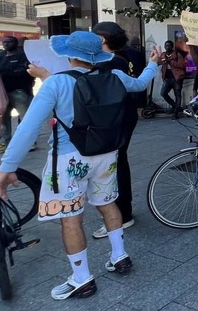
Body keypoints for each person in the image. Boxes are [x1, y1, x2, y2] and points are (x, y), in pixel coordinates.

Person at [0, 31, 160, 300]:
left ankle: (82, 279)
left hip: (69, 158)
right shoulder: (115, 76)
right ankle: (119, 255)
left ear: (69, 55)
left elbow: (28, 128)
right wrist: (153, 63)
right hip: (107, 154)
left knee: (71, 217)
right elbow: (141, 84)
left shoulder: (56, 82)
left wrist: (8, 166)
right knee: (108, 203)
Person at [90, 22, 139, 238]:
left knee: (114, 164)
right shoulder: (125, 55)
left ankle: (121, 215)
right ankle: (123, 212)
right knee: (118, 162)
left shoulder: (111, 62)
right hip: (124, 115)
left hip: (116, 117)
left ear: (102, 39)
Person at [0, 36, 34, 148]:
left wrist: (1, 70)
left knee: (26, 119)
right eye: (4, 42)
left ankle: (29, 143)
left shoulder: (23, 56)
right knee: (4, 119)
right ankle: (7, 143)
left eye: (9, 42)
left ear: (16, 43)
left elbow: (24, 71)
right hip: (3, 93)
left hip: (20, 92)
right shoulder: (1, 56)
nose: (6, 44)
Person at [159, 40, 187, 118]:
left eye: (169, 46)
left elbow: (182, 65)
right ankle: (175, 106)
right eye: (166, 46)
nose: (167, 47)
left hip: (177, 78)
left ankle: (176, 113)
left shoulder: (177, 54)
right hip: (167, 78)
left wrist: (170, 62)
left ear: (172, 47)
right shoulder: (163, 54)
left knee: (177, 95)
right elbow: (159, 62)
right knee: (163, 93)